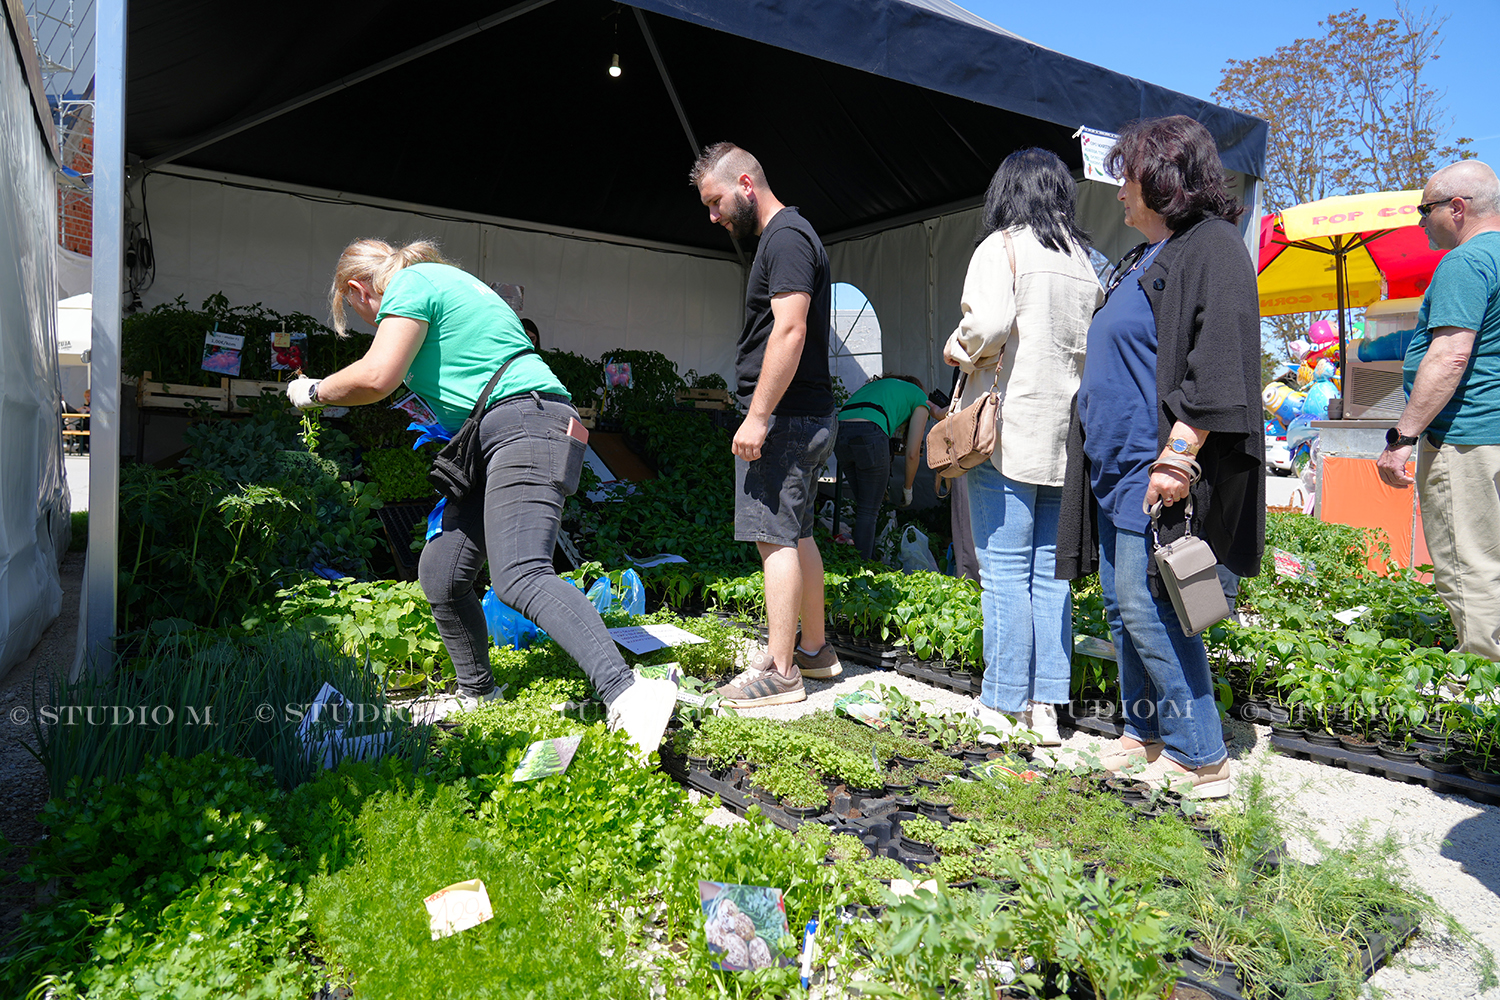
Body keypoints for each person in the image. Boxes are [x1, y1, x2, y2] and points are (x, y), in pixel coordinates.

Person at [286, 238, 678, 755]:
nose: (373, 325)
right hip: (496, 434)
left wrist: (312, 391)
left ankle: (628, 692)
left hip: (524, 424)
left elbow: (377, 377)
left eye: (359, 314)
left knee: (521, 574)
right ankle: (479, 693)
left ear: (358, 290)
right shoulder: (440, 281)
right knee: (442, 572)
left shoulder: (409, 283)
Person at [1057, 116, 1264, 798]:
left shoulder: (1213, 247)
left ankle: (1200, 754)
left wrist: (1178, 457)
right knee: (1124, 608)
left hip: (1158, 466)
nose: (1119, 191)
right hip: (1116, 462)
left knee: (1152, 604)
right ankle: (1144, 731)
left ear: (1165, 179)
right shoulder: (1147, 254)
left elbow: (1217, 358)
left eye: (1129, 178)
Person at [944, 148, 1104, 746]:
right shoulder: (1085, 261)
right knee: (1051, 575)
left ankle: (1002, 702)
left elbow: (986, 326)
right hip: (1066, 439)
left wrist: (958, 349)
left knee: (1005, 572)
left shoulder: (1002, 247)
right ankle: (1046, 707)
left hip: (1005, 434)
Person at [690, 142, 840, 705]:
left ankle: (781, 672)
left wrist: (758, 416)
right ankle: (814, 650)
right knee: (796, 533)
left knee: (772, 537)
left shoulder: (786, 238)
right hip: (803, 413)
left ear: (746, 185)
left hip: (785, 418)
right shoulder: (789, 237)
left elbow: (790, 329)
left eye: (716, 201)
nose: (714, 216)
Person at [1376, 160, 1500, 661]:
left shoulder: (1466, 262)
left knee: (1470, 564)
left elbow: (1450, 356)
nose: (1420, 220)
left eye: (1425, 209)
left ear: (1458, 207)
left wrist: (1402, 438)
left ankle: (1484, 682)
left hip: (1468, 436)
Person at [834, 374, 943, 560]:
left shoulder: (882, 387)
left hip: (840, 432)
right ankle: (864, 567)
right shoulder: (920, 397)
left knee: (864, 506)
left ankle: (864, 559)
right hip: (870, 433)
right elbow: (912, 453)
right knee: (869, 510)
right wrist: (908, 489)